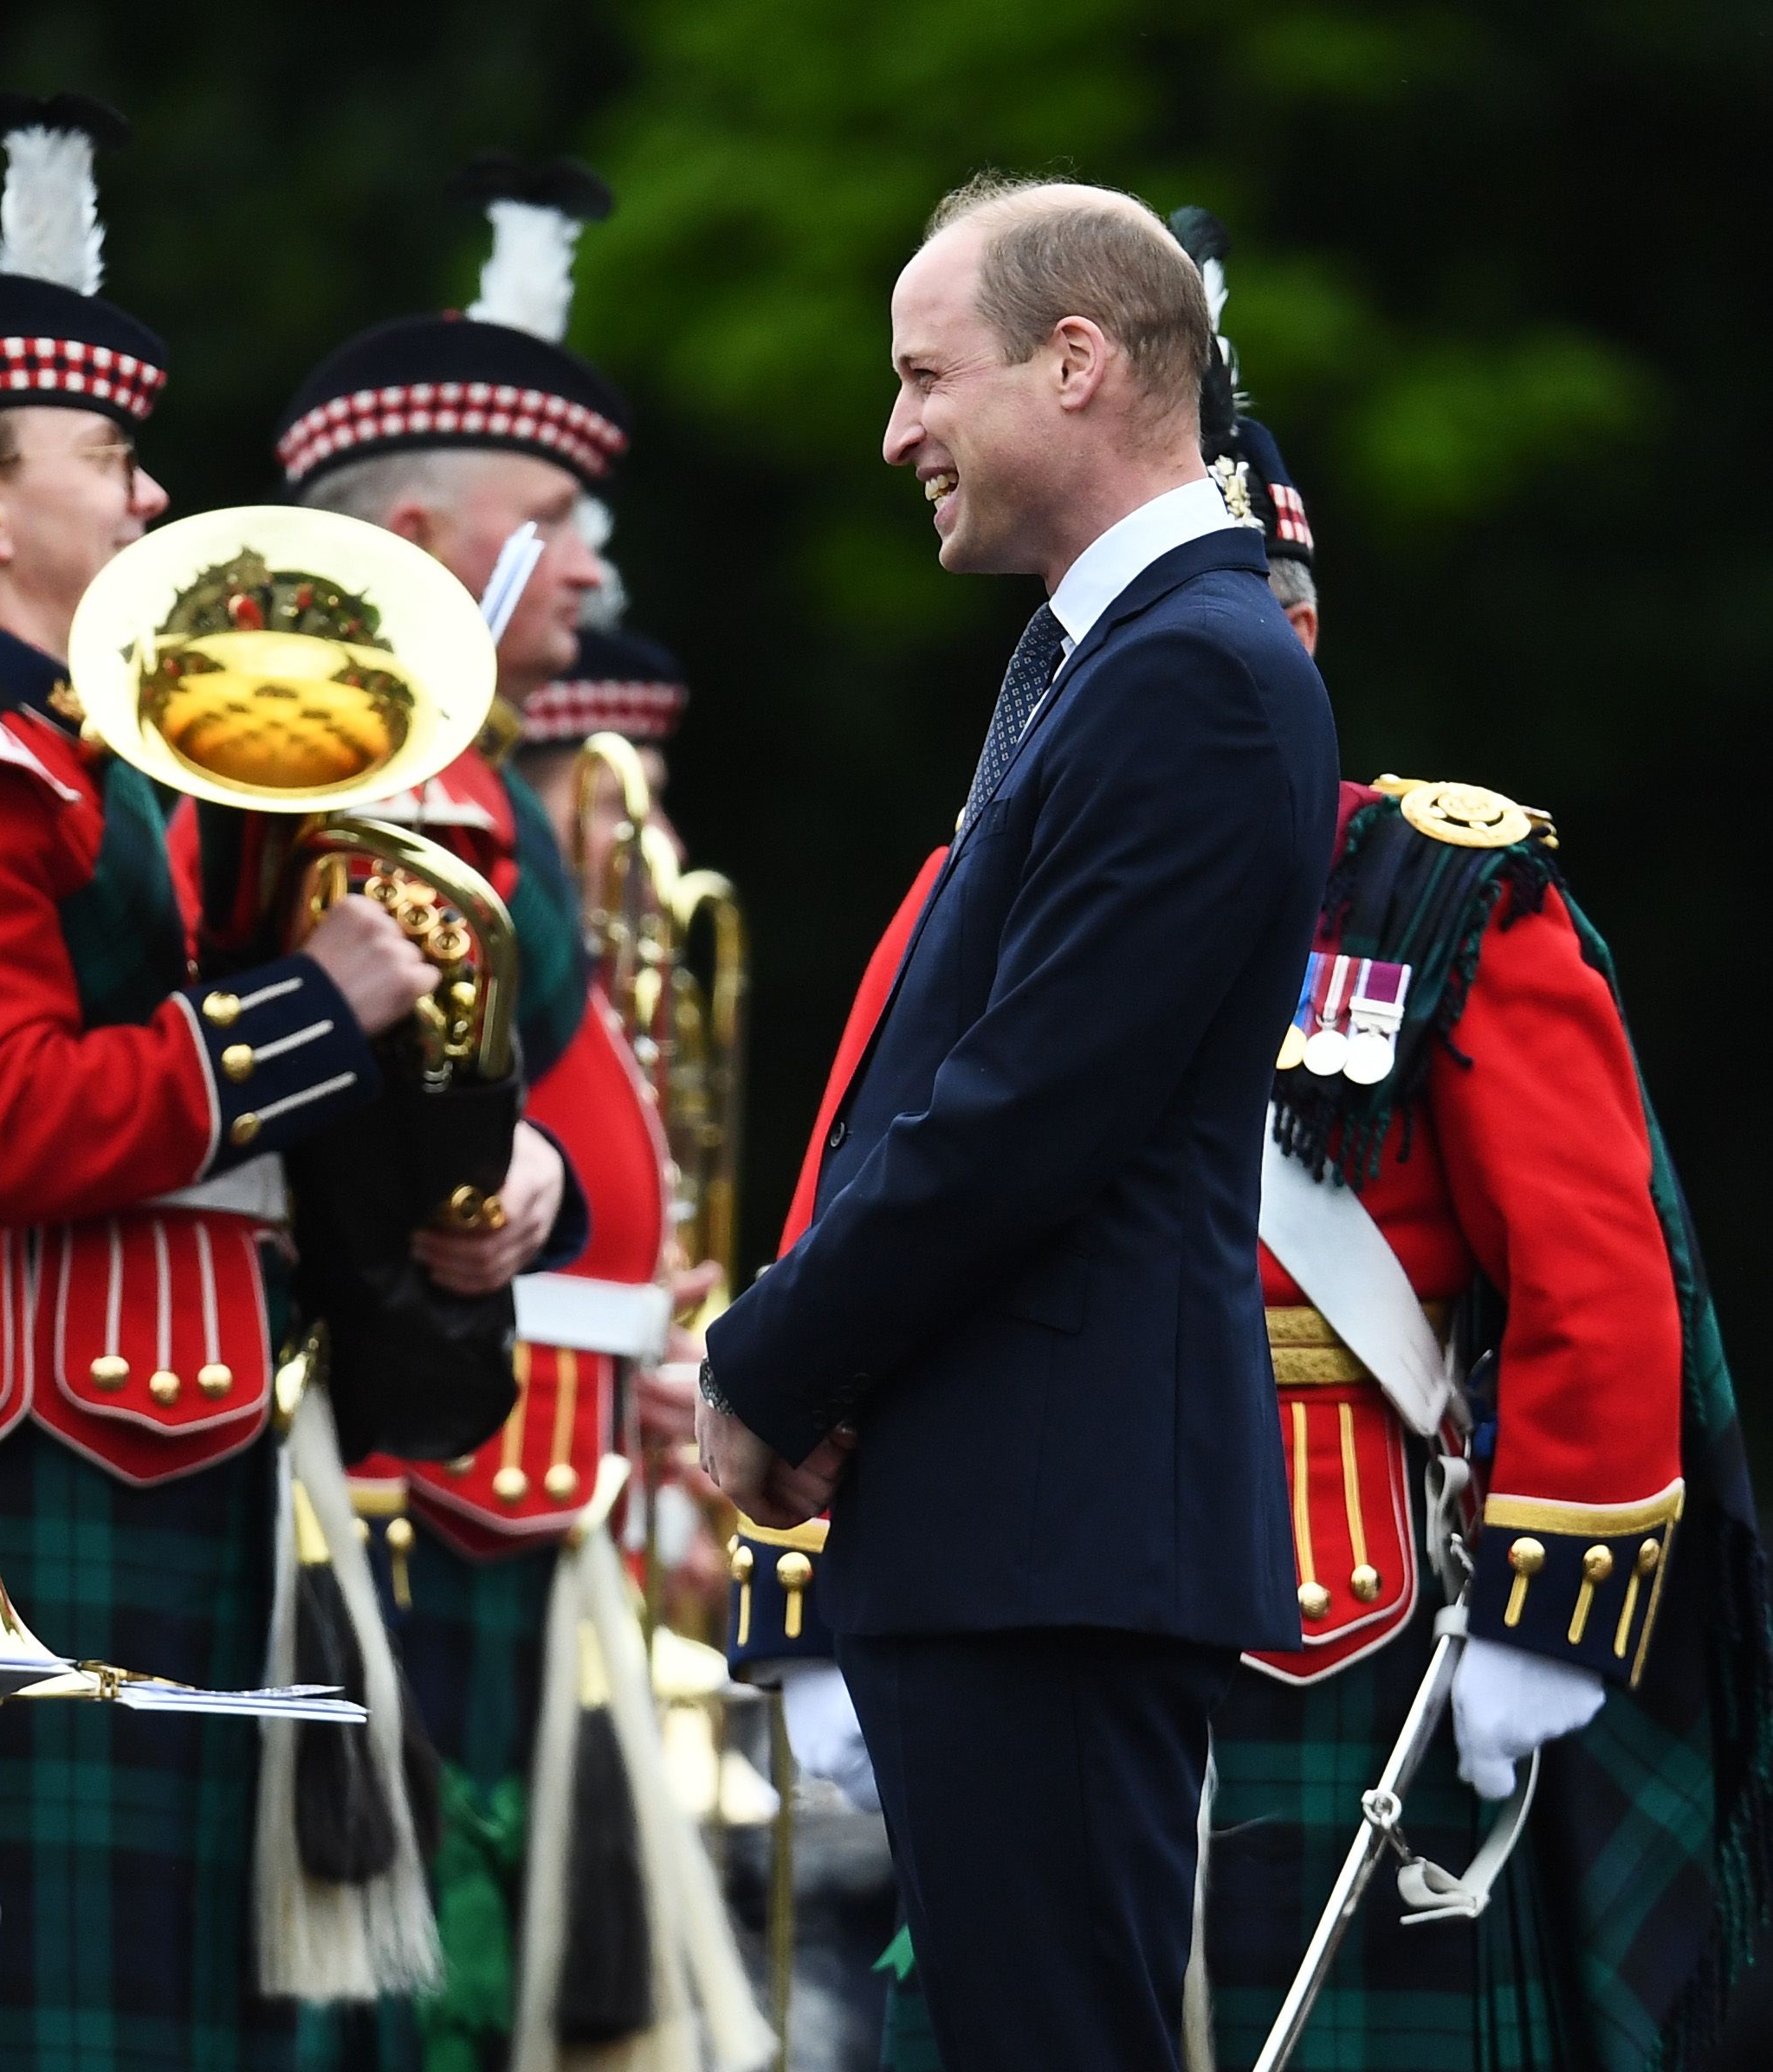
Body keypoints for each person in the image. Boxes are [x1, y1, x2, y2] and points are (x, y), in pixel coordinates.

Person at [0, 94, 443, 2069]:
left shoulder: (89, 755)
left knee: (174, 1992)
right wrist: (313, 1003)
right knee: (78, 1997)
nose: (157, 500)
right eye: (110, 458)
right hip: (53, 1423)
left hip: (167, 1413)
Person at [695, 173, 1336, 2072]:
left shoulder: (1198, 674)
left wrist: (772, 1359)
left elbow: (1021, 1115)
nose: (897, 431)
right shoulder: (1123, 661)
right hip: (1026, 1514)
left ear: (1075, 362)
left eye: (922, 376)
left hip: (1058, 1526)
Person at [1167, 209, 1767, 2072]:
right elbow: (849, 1229)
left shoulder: (1443, 889)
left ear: (1302, 631)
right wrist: (822, 1577)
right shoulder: (978, 882)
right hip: (1040, 1593)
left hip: (1345, 1616)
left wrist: (1544, 1604)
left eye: (1236, 624)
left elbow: (1596, 1279)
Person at [276, 154, 771, 2071]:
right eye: (555, 520)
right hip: (421, 1465)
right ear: (426, 530)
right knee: (425, 1987)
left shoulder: (489, 779)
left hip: (532, 1457)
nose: (599, 567)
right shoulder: (382, 766)